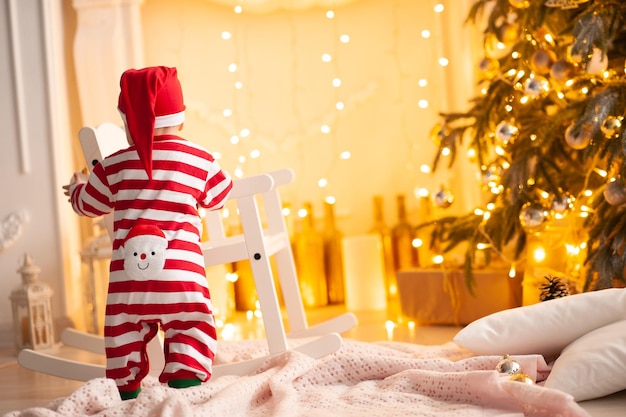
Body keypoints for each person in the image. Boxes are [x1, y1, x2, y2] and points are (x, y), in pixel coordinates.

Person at [63, 66, 233, 400]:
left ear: (130, 122)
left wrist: (77, 188)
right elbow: (221, 194)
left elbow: (87, 205)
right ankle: (186, 383)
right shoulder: (199, 158)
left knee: (123, 327)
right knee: (190, 323)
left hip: (129, 283)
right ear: (181, 119)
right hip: (182, 279)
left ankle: (126, 389)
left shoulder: (113, 165)